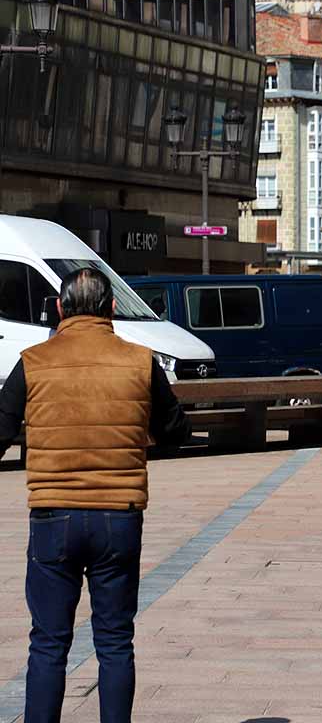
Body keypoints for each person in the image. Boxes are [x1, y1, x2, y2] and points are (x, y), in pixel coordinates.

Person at [0, 268, 191, 723]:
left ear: (61, 309)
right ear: (110, 310)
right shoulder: (141, 361)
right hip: (118, 517)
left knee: (48, 642)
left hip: (52, 518)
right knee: (114, 640)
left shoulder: (33, 361)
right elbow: (176, 432)